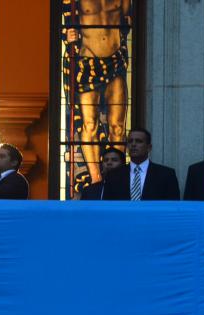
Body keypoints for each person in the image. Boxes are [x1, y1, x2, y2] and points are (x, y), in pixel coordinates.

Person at [64, 0, 132, 188]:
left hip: (115, 59)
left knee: (118, 126)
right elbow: (66, 21)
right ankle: (96, 180)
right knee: (89, 125)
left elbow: (128, 20)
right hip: (87, 60)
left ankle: (117, 179)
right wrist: (67, 34)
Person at [103, 128, 180, 201]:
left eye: (139, 141)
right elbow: (106, 206)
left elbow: (173, 207)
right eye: (130, 141)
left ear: (149, 147)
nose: (133, 144)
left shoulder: (166, 175)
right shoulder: (113, 175)